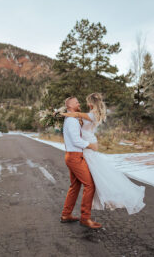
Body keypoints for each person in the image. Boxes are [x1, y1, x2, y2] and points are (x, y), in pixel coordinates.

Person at [61, 93, 146, 215]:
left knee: (94, 179)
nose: (81, 104)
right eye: (77, 102)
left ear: (90, 103)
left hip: (87, 146)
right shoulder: (89, 115)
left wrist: (60, 114)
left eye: (84, 102)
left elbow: (77, 115)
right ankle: (75, 215)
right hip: (82, 149)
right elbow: (77, 123)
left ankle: (81, 214)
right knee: (91, 180)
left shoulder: (91, 114)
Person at [59, 96, 102, 229]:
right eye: (76, 102)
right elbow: (77, 141)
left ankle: (66, 214)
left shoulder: (72, 119)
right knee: (90, 185)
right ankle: (85, 218)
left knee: (75, 185)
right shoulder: (71, 121)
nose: (79, 103)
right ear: (70, 105)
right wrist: (91, 145)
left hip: (73, 156)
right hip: (74, 157)